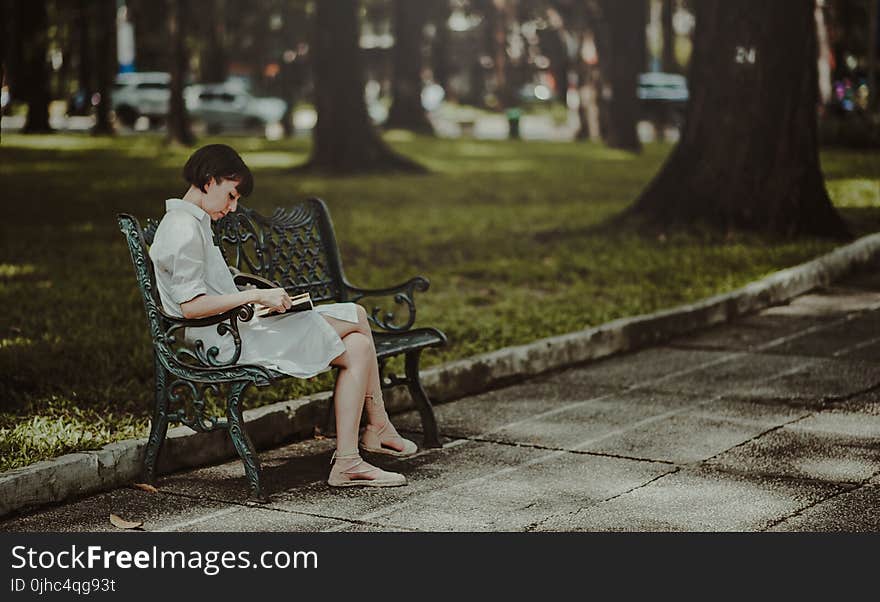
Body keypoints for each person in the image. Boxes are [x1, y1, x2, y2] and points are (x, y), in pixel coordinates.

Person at [148, 144, 416, 488]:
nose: (232, 208)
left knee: (360, 346)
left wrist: (256, 299)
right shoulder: (183, 228)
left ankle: (350, 459)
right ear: (208, 180)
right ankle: (376, 428)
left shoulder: (190, 222)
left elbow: (205, 288)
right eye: (230, 196)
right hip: (220, 341)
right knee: (356, 315)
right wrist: (256, 295)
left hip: (232, 329)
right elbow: (190, 307)